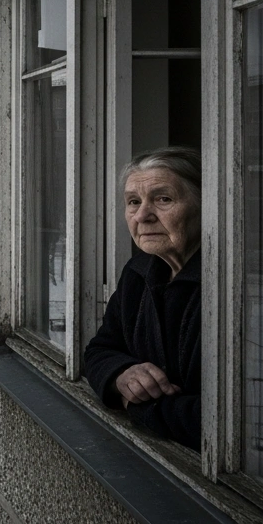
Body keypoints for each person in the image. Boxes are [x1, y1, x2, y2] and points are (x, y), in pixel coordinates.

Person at [84, 147, 202, 450]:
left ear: (208, 205)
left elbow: (220, 419)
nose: (142, 215)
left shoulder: (242, 285)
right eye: (133, 202)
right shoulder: (140, 271)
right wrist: (122, 375)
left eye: (163, 199)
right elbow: (100, 350)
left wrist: (136, 406)